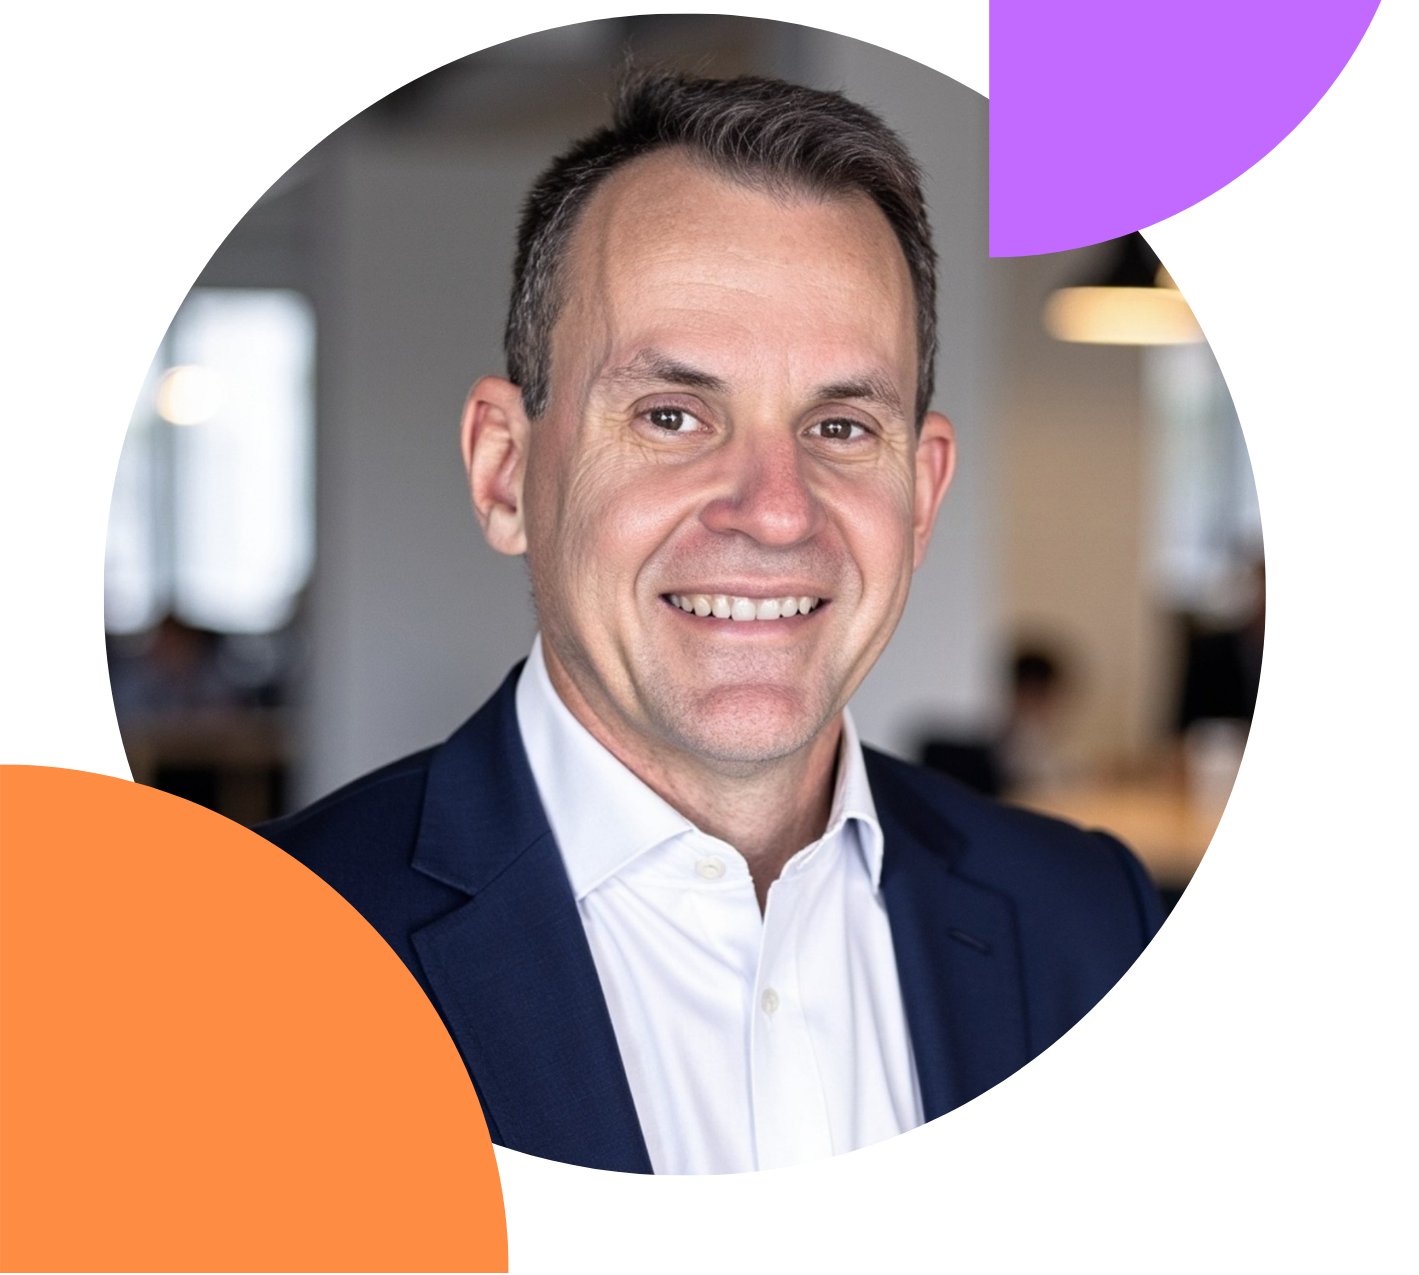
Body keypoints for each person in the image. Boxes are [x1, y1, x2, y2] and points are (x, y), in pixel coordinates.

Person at [257, 70, 1165, 1175]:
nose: (775, 511)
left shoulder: (1091, 920)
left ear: (921, 495)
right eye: (672, 414)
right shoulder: (255, 961)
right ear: (505, 474)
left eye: (839, 423)